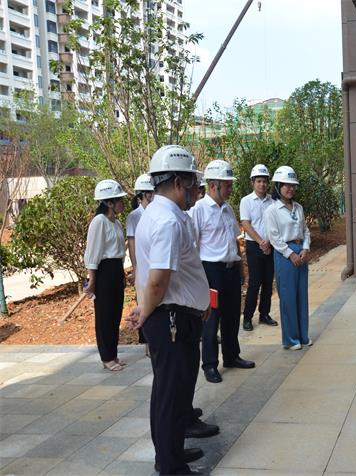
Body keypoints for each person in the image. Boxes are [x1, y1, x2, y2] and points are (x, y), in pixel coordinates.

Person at [126, 145, 215, 475]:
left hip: (176, 315)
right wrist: (145, 312)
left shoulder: (159, 214)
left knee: (174, 393)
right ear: (178, 182)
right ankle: (170, 465)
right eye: (192, 182)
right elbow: (158, 280)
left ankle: (171, 452)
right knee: (170, 395)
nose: (195, 189)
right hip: (171, 319)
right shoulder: (167, 221)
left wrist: (197, 301)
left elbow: (160, 276)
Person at [189, 159, 255, 384]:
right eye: (227, 185)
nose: (230, 189)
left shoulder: (227, 209)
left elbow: (234, 239)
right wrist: (199, 278)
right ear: (213, 185)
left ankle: (231, 355)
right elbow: (193, 246)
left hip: (230, 269)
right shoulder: (198, 210)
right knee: (211, 318)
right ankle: (209, 364)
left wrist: (241, 266)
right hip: (211, 271)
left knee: (232, 315)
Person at [263, 166, 311, 350]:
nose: (290, 188)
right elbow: (274, 237)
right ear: (278, 186)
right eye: (286, 185)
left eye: (293, 185)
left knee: (301, 296)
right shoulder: (272, 210)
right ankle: (291, 339)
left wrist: (305, 248)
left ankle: (303, 335)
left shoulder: (298, 208)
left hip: (301, 252)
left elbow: (305, 230)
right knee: (288, 297)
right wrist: (290, 254)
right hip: (285, 254)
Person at [84, 179, 128, 371]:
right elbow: (92, 253)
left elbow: (119, 252)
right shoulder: (99, 222)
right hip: (103, 272)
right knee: (104, 316)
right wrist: (92, 280)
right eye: (119, 200)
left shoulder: (116, 223)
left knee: (115, 314)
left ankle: (113, 353)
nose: (122, 203)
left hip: (116, 270)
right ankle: (106, 356)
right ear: (109, 202)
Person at [239, 164, 278, 331]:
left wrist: (268, 242)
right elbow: (245, 224)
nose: (262, 184)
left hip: (270, 245)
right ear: (252, 182)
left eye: (264, 181)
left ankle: (264, 314)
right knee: (255, 282)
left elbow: (275, 223)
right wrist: (261, 241)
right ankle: (248, 317)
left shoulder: (273, 201)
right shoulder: (246, 201)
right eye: (259, 181)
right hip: (254, 246)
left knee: (268, 282)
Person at [127, 173, 155, 352]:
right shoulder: (134, 216)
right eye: (151, 193)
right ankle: (147, 344)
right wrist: (136, 268)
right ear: (143, 195)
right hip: (142, 267)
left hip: (155, 265)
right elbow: (132, 244)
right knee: (143, 302)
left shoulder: (156, 213)